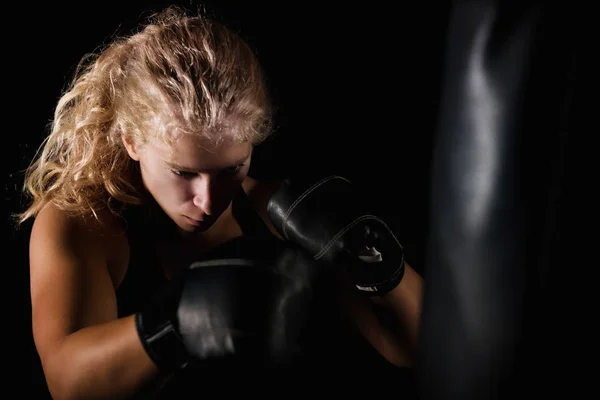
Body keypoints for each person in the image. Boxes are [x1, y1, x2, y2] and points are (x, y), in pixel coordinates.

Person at [18, 5, 425, 399]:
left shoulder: (277, 214)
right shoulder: (86, 222)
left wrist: (381, 267)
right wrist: (175, 324)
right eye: (183, 172)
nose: (208, 201)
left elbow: (416, 351)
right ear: (132, 141)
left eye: (231, 169)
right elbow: (67, 385)